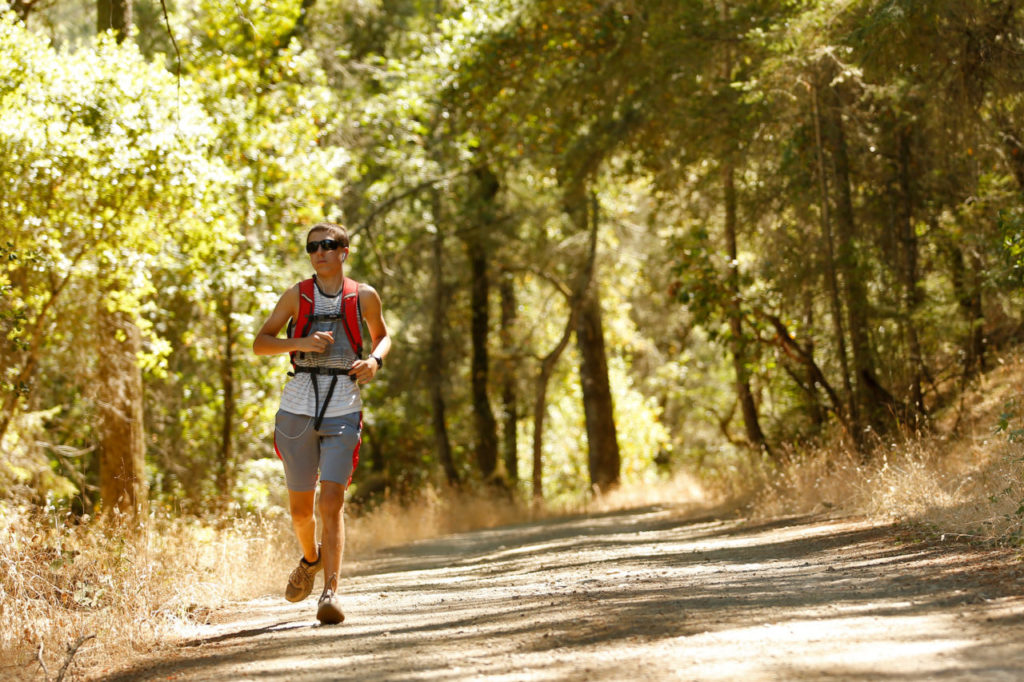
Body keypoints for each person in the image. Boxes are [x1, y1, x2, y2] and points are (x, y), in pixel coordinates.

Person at [253, 222, 391, 625]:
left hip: (344, 406)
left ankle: (330, 594)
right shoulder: (297, 295)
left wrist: (374, 362)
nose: (319, 252)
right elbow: (261, 343)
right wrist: (300, 343)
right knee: (301, 513)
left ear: (344, 251)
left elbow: (382, 336)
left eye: (328, 245)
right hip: (297, 410)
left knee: (330, 502)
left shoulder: (362, 295)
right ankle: (309, 559)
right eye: (313, 246)